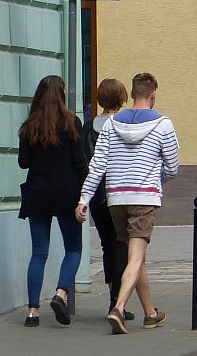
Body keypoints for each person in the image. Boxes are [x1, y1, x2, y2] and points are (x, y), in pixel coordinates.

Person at [76, 72, 180, 335]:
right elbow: (172, 167)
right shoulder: (163, 125)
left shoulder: (110, 125)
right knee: (135, 257)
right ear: (152, 95)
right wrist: (155, 182)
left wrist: (84, 198)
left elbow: (97, 165)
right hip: (143, 198)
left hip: (116, 199)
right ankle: (119, 308)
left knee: (137, 257)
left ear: (132, 94)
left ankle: (150, 313)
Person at [18, 75, 88, 327]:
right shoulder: (71, 122)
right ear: (62, 96)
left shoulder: (29, 127)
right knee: (74, 249)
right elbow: (80, 161)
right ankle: (60, 294)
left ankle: (32, 313)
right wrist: (83, 196)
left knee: (39, 253)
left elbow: (23, 162)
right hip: (66, 193)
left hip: (37, 193)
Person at [88, 78, 132, 321]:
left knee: (107, 244)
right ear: (120, 98)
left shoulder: (88, 127)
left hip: (96, 195)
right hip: (117, 191)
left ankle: (113, 297)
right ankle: (118, 302)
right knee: (121, 245)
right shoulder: (123, 125)